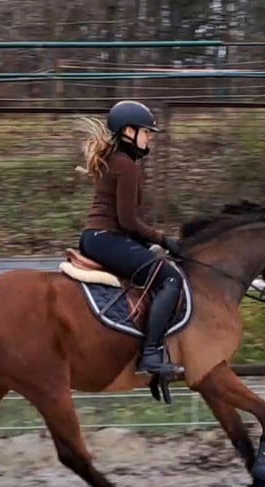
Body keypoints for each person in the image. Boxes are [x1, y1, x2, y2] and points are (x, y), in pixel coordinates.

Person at [76, 100, 184, 377]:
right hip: (107, 238)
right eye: (146, 132)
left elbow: (125, 222)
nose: (149, 137)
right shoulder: (126, 166)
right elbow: (128, 221)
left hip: (98, 237)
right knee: (170, 278)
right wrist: (164, 239)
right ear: (128, 132)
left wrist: (150, 244)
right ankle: (150, 354)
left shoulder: (116, 161)